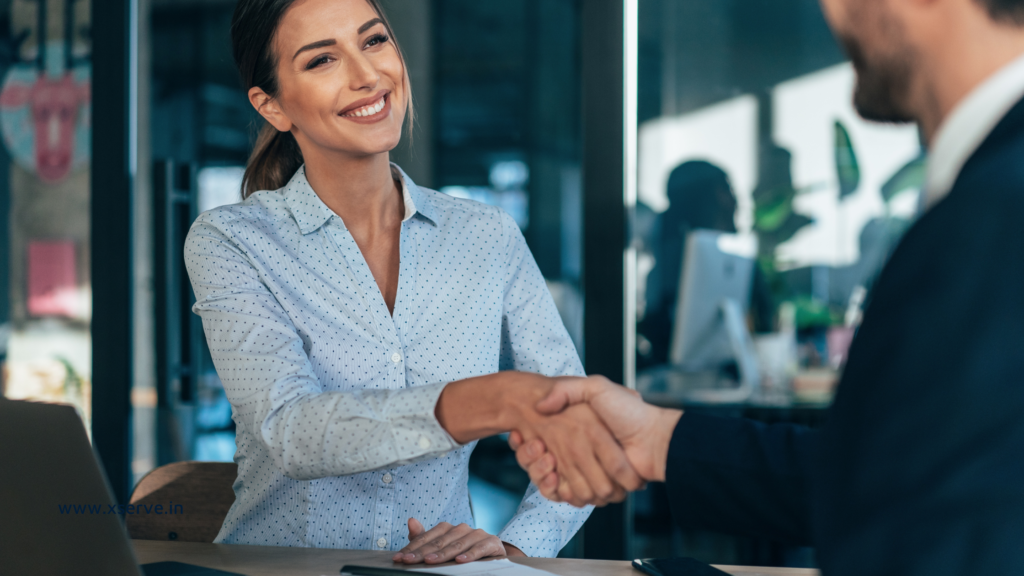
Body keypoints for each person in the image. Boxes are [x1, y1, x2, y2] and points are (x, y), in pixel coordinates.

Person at [511, 0, 1024, 574]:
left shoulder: (994, 214)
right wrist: (658, 440)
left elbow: (931, 538)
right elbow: (892, 473)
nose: (832, 13)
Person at [185, 0, 641, 566]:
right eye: (323, 59)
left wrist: (518, 546)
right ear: (273, 106)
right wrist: (491, 400)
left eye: (373, 41)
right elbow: (291, 432)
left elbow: (578, 423)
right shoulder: (233, 240)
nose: (367, 75)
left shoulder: (487, 237)